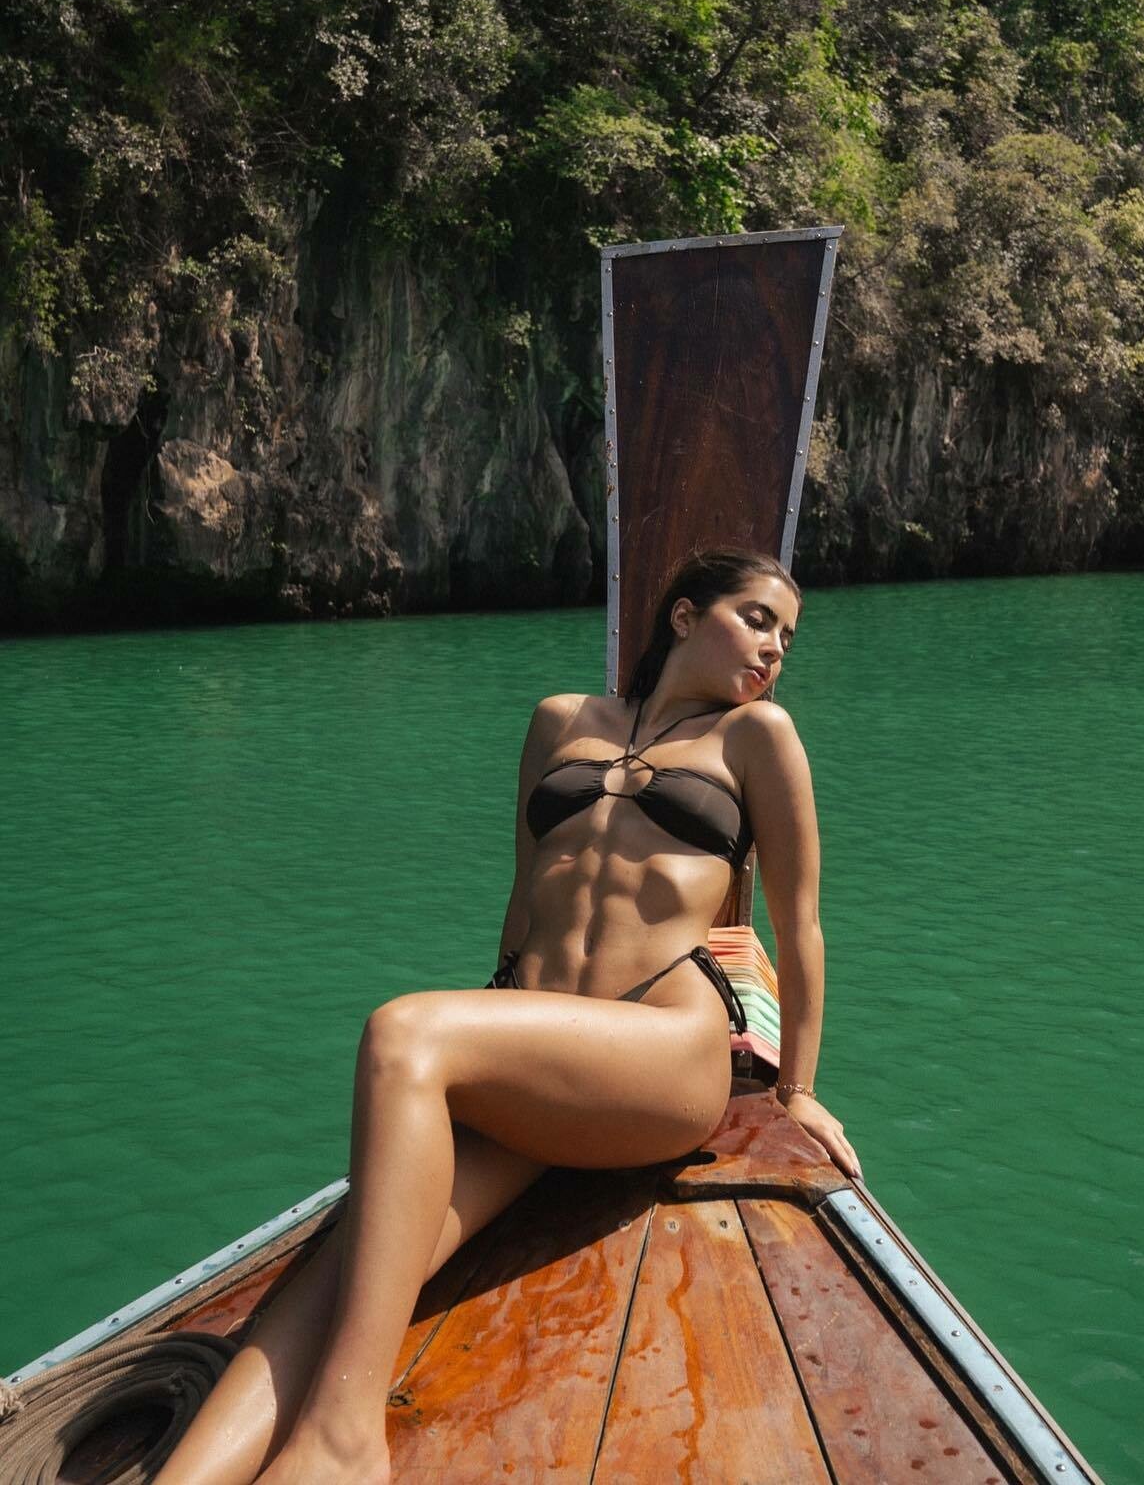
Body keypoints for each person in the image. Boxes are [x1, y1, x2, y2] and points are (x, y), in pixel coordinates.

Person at [156, 545, 861, 1485]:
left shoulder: (757, 736)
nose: (774, 648)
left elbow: (800, 925)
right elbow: (526, 895)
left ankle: (344, 1438)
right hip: (546, 1051)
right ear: (686, 616)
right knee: (352, 1268)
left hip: (662, 1050)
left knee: (402, 1031)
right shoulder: (562, 720)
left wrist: (797, 1091)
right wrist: (491, 1035)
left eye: (787, 638)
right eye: (757, 619)